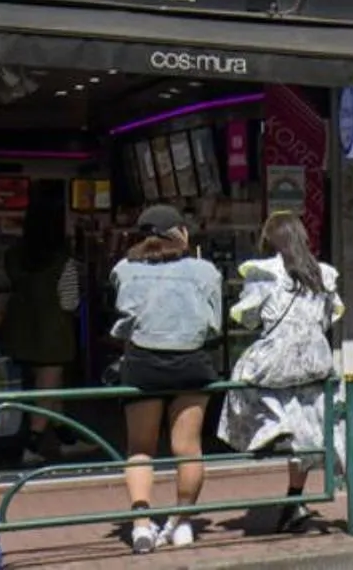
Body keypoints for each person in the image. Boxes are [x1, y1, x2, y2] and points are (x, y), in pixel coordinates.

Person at [218, 212, 343, 533]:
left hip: (277, 355)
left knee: (243, 378)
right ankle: (294, 500)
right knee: (306, 423)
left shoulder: (266, 272)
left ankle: (271, 430)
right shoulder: (324, 274)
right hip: (315, 358)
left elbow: (246, 317)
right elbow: (330, 318)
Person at [110, 205, 224, 554]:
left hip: (142, 361)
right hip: (191, 361)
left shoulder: (124, 269)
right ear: (180, 233)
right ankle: (182, 522)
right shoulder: (205, 271)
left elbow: (123, 321)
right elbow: (214, 325)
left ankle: (142, 526)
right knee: (188, 448)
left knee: (140, 448)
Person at [1, 204, 80, 464]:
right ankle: (31, 447)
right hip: (52, 336)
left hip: (19, 331)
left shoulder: (13, 256)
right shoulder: (62, 261)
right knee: (47, 390)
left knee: (49, 388)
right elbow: (70, 302)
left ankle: (68, 440)